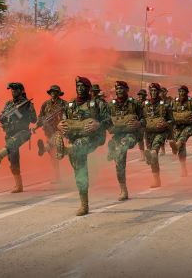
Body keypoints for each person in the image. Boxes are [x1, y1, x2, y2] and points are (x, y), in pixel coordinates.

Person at [55, 76, 109, 216]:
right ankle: (84, 204)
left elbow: (110, 121)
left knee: (78, 145)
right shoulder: (70, 104)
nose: (80, 88)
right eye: (78, 86)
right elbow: (64, 121)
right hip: (75, 139)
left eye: (83, 86)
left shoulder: (97, 104)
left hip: (93, 138)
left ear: (88, 89)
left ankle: (65, 150)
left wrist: (99, 124)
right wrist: (60, 125)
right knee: (79, 170)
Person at [0, 82, 37, 193]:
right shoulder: (9, 104)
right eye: (12, 90)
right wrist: (2, 118)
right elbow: (2, 116)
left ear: (21, 91)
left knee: (12, 144)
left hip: (23, 132)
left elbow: (34, 119)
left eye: (15, 90)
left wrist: (20, 113)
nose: (13, 92)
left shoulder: (27, 104)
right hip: (10, 132)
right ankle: (18, 186)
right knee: (12, 158)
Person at [107, 81, 142, 200]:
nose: (119, 91)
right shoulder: (111, 105)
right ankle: (123, 189)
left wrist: (139, 123)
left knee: (121, 148)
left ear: (127, 90)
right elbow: (105, 121)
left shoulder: (135, 104)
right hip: (117, 136)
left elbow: (145, 118)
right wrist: (108, 127)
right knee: (119, 164)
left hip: (130, 136)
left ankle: (113, 149)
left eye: (121, 88)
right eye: (117, 89)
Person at [143, 83, 172, 188]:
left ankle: (153, 153)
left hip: (161, 132)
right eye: (152, 91)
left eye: (155, 91)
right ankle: (157, 180)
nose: (153, 93)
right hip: (148, 132)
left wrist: (166, 123)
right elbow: (141, 117)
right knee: (153, 159)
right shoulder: (145, 104)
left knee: (154, 152)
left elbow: (171, 120)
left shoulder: (165, 104)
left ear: (159, 92)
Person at [37, 84, 67, 183]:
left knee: (53, 144)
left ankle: (44, 148)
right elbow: (41, 116)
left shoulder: (64, 104)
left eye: (55, 91)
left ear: (59, 93)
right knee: (53, 154)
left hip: (59, 130)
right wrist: (38, 124)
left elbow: (68, 115)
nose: (53, 93)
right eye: (52, 92)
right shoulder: (45, 104)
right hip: (48, 130)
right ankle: (58, 177)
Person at [169, 85, 192, 177]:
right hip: (177, 126)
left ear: (186, 93)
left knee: (182, 138)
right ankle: (183, 168)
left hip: (189, 126)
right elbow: (170, 113)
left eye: (183, 92)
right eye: (180, 91)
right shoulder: (174, 102)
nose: (181, 93)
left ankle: (176, 145)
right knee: (181, 148)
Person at [136, 89, 148, 161]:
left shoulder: (148, 102)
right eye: (139, 95)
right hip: (139, 122)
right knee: (140, 139)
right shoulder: (136, 103)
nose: (140, 96)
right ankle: (142, 155)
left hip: (147, 122)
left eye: (142, 95)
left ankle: (149, 153)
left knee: (147, 138)